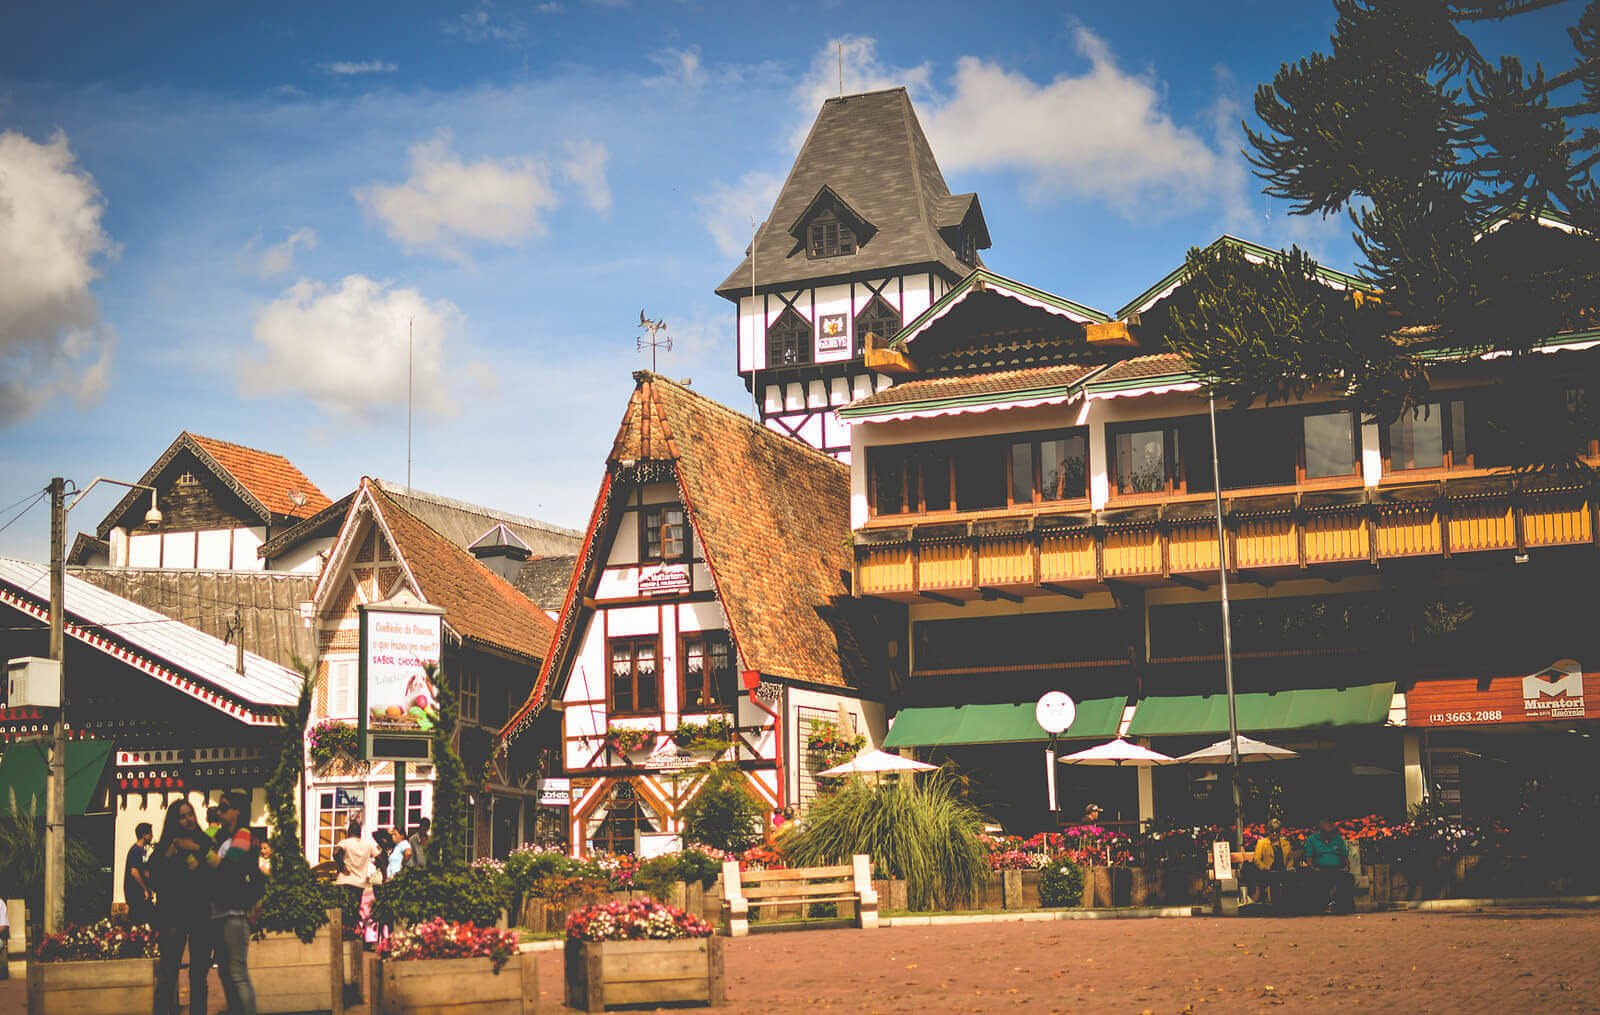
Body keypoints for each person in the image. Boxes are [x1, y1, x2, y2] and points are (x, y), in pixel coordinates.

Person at [152, 798, 216, 1015]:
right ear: (174, 821)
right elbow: (154, 880)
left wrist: (195, 848)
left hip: (201, 914)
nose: (189, 820)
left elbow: (215, 874)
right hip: (172, 915)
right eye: (182, 816)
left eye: (190, 814)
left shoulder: (204, 842)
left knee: (198, 973)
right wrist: (168, 856)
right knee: (168, 972)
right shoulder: (165, 847)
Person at [209, 791, 262, 1015]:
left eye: (224, 807)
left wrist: (201, 852)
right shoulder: (222, 838)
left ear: (238, 811)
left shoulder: (243, 835)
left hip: (234, 913)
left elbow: (228, 869)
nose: (219, 812)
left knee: (237, 973)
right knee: (225, 972)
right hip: (219, 912)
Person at [1303, 816, 1355, 914]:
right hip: (1320, 870)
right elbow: (1309, 858)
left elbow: (1345, 857)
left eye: (1331, 833)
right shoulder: (1312, 839)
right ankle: (1323, 907)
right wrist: (1314, 868)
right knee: (1318, 879)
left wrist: (1346, 867)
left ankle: (1344, 909)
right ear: (1321, 832)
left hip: (1337, 869)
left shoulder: (1338, 839)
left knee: (1348, 878)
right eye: (1327, 833)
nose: (1329, 835)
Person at [1240, 818, 1294, 905]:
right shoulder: (1262, 843)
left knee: (1292, 878)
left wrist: (1288, 868)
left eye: (1277, 832)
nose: (1274, 834)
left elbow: (1290, 858)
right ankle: (1274, 904)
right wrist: (1265, 867)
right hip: (1268, 871)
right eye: (1272, 832)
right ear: (1269, 831)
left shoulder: (1286, 843)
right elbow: (1257, 859)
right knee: (1274, 880)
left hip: (1283, 870)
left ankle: (1288, 903)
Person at [335, 818, 376, 926]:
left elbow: (336, 852)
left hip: (344, 881)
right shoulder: (368, 845)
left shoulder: (345, 842)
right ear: (360, 833)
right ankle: (353, 931)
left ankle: (345, 932)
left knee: (343, 912)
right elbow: (379, 857)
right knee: (354, 911)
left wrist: (342, 866)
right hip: (359, 883)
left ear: (349, 832)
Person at [124, 822, 155, 925]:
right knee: (139, 922)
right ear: (144, 835)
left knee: (149, 920)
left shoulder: (142, 851)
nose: (152, 836)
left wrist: (150, 888)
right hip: (135, 892)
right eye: (150, 834)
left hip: (143, 893)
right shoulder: (136, 851)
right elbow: (134, 871)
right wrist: (144, 889)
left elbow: (144, 871)